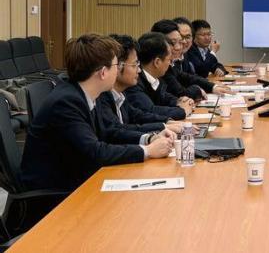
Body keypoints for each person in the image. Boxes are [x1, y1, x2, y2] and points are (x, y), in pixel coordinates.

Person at [21, 34, 174, 191]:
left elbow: (109, 132)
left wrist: (149, 139)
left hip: (77, 178)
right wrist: (147, 151)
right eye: (115, 65)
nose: (117, 71)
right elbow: (95, 152)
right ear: (103, 72)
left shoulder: (85, 94)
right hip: (57, 191)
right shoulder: (67, 102)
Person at [97, 34, 186, 135]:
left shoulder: (120, 94)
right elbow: (116, 131)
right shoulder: (102, 96)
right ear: (118, 66)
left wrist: (166, 122)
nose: (139, 70)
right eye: (134, 65)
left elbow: (137, 115)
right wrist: (153, 135)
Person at [151, 19, 230, 100]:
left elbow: (188, 77)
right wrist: (197, 90)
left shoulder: (178, 58)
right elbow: (179, 93)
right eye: (173, 42)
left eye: (187, 37)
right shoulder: (163, 64)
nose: (179, 46)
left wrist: (212, 86)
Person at [125, 32, 193, 120]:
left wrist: (179, 101)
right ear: (157, 62)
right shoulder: (134, 82)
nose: (170, 64)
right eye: (169, 60)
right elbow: (149, 110)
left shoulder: (155, 78)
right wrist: (182, 111)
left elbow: (163, 97)